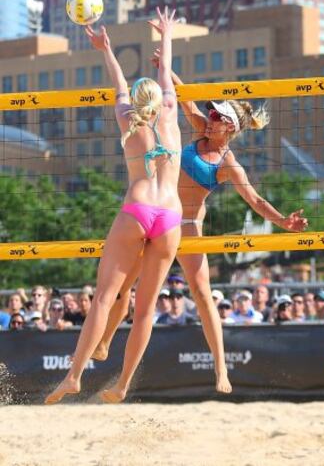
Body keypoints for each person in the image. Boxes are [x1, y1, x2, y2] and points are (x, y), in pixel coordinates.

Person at [90, 52, 308, 394]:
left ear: (231, 129)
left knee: (203, 295)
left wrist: (283, 221)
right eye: (211, 112)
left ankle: (221, 371)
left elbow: (256, 201)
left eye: (218, 116)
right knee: (122, 289)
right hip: (156, 215)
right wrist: (166, 68)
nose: (210, 117)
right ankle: (103, 343)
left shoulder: (228, 163)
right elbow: (183, 95)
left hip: (187, 224)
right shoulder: (199, 129)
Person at [44, 7, 182, 405]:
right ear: (160, 100)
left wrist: (105, 49)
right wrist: (166, 35)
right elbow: (164, 71)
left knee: (105, 297)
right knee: (145, 309)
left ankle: (74, 375)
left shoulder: (127, 118)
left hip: (138, 209)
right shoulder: (170, 113)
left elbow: (120, 86)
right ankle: (122, 384)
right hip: (170, 216)